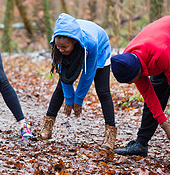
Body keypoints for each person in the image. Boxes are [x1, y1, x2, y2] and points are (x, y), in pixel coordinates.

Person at [111, 13, 170, 167]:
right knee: (157, 90)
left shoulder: (161, 53)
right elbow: (150, 96)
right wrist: (166, 127)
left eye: (131, 81)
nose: (131, 84)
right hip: (164, 42)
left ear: (138, 71)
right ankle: (141, 144)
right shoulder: (128, 59)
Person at [39, 13, 117, 149]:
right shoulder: (58, 41)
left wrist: (78, 100)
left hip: (100, 47)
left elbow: (88, 73)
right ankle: (47, 127)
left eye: (64, 47)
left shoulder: (91, 44)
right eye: (58, 47)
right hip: (77, 46)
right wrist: (69, 98)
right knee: (60, 87)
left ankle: (110, 135)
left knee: (103, 91)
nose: (60, 50)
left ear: (74, 41)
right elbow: (64, 76)